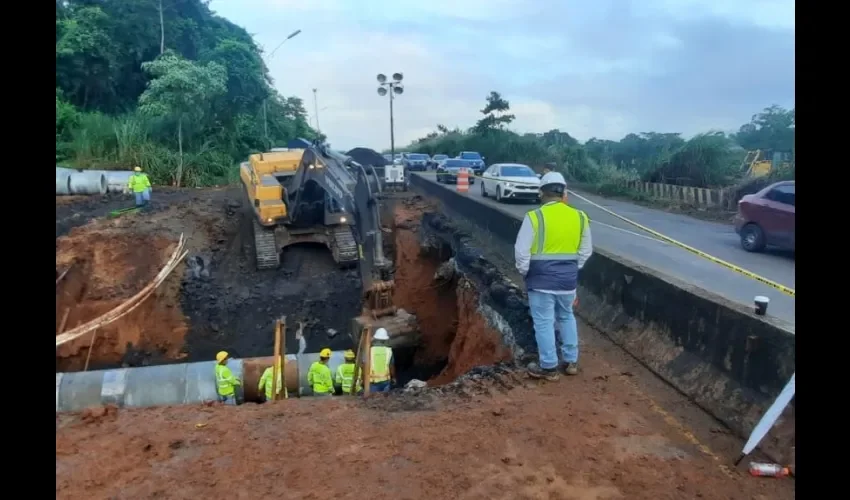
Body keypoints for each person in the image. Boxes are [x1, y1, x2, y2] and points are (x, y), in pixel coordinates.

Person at [514, 172, 593, 381]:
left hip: (540, 280)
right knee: (566, 316)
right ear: (564, 192)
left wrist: (525, 272)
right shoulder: (580, 217)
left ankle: (548, 367)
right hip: (568, 281)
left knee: (544, 322)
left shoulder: (535, 217)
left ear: (542, 193)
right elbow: (585, 251)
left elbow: (522, 252)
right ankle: (571, 361)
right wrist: (572, 269)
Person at [368, 328, 396, 393]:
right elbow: (391, 366)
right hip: (386, 381)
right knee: (385, 401)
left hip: (373, 381)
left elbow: (364, 366)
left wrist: (363, 380)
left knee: (373, 401)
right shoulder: (389, 351)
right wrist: (394, 378)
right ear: (385, 340)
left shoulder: (369, 351)